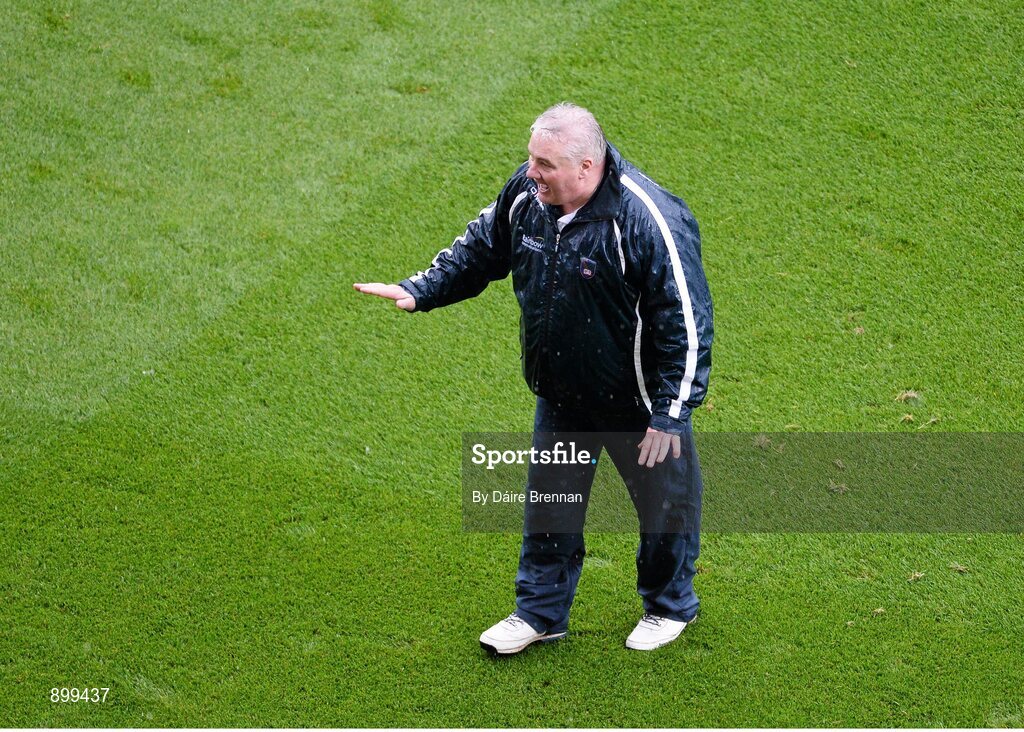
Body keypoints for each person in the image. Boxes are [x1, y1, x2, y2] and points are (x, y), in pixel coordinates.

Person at [354, 103, 713, 653]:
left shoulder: (648, 219)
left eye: (545, 163)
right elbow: (481, 247)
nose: (531, 172)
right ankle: (541, 613)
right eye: (530, 158)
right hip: (562, 391)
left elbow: (684, 322)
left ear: (587, 167)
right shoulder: (528, 196)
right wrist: (422, 289)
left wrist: (670, 413)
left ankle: (667, 607)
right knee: (550, 505)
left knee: (665, 508)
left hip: (639, 406)